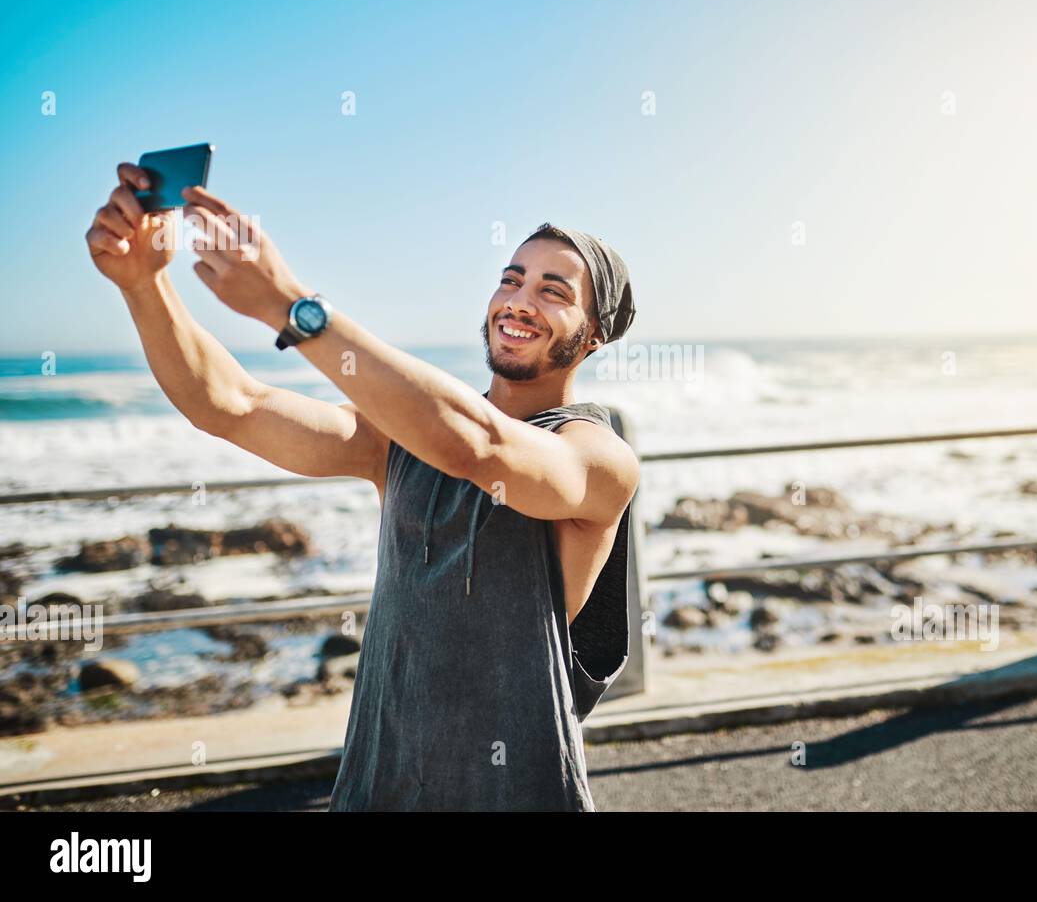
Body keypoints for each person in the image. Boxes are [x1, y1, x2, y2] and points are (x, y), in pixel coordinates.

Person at [84, 162, 640, 810]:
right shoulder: (402, 435)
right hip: (379, 788)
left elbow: (480, 446)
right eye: (510, 279)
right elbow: (229, 404)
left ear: (595, 334)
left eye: (554, 291)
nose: (518, 299)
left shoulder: (597, 456)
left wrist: (289, 304)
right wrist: (144, 285)